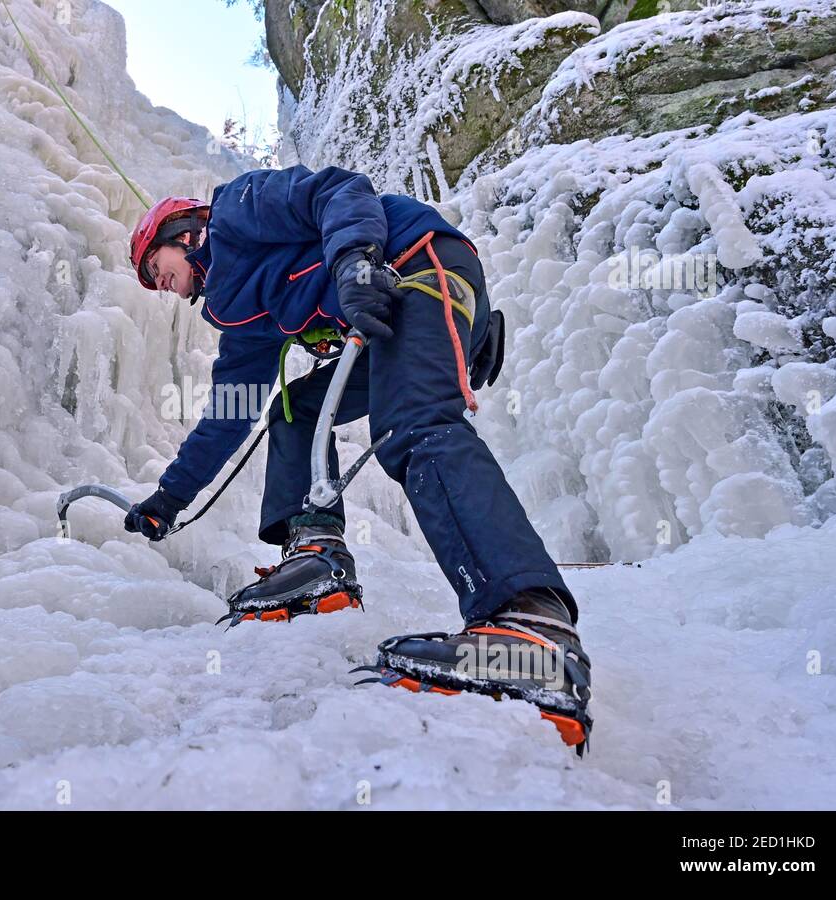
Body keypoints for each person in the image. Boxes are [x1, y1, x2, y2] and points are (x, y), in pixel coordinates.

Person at [123, 166, 591, 749]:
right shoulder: (242, 318)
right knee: (292, 409)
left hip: (411, 266)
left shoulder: (238, 210)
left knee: (414, 421)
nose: (157, 284)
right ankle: (316, 551)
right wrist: (170, 497)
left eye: (154, 267)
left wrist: (354, 262)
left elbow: (337, 190)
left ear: (184, 231)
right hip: (384, 310)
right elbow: (228, 412)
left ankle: (529, 626)